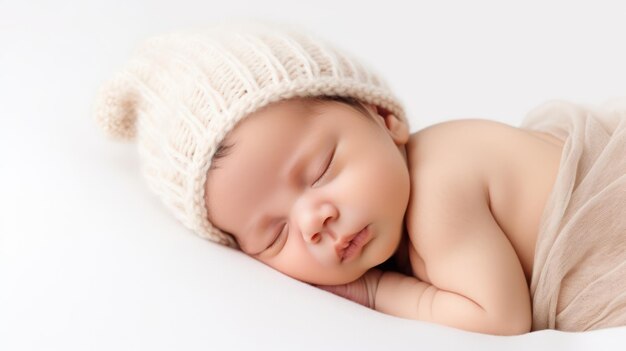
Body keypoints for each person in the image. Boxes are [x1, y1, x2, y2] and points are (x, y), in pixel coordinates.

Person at [93, 20, 626, 334]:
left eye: (321, 170)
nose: (314, 221)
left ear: (384, 118)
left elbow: (498, 319)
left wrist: (377, 291)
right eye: (274, 235)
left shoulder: (439, 182)